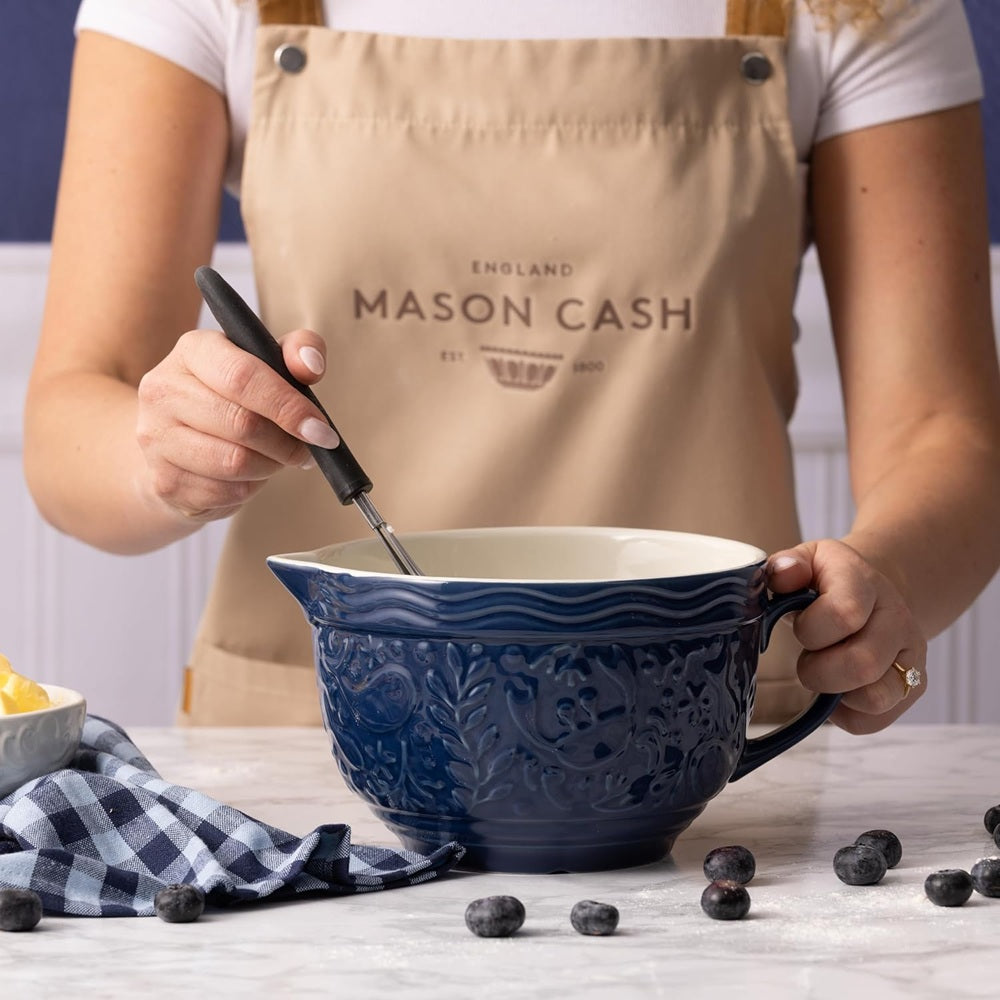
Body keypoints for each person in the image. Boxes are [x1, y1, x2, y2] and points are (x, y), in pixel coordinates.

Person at [25, 0, 1000, 730]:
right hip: (301, 757)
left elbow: (943, 433)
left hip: (700, 760)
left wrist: (886, 578)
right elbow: (79, 406)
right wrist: (160, 454)